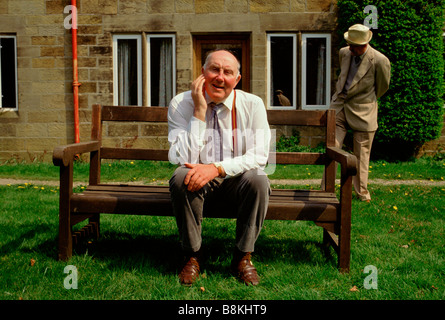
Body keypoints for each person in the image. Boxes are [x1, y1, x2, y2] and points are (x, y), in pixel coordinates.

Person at [168, 49, 271, 286]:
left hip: (237, 181)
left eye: (228, 72)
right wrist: (199, 111)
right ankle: (192, 255)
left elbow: (260, 155)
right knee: (180, 176)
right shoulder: (180, 104)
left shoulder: (253, 104)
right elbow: (181, 157)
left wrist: (216, 168)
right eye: (214, 69)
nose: (220, 77)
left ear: (237, 79)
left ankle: (242, 257)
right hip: (197, 181)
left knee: (259, 179)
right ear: (203, 72)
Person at [328, 24, 391, 202]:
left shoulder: (380, 60)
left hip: (364, 112)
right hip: (339, 107)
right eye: (349, 44)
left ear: (365, 44)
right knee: (331, 147)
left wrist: (365, 101)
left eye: (355, 45)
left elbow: (382, 87)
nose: (351, 48)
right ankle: (326, 187)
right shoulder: (344, 53)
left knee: (361, 155)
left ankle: (361, 193)